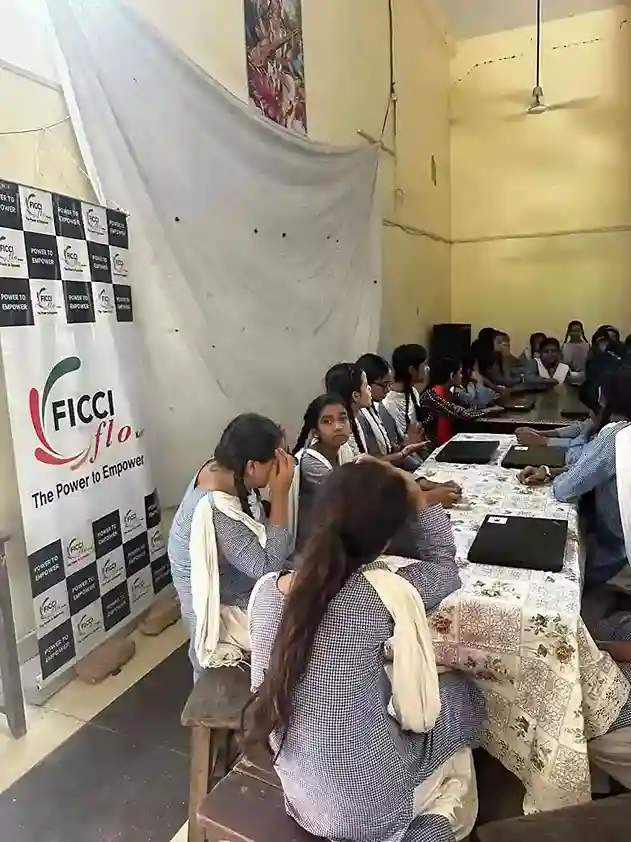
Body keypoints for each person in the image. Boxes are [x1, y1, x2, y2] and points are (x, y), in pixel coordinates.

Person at [245, 460, 484, 842]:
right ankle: (424, 830)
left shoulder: (264, 592)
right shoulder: (383, 594)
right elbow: (445, 568)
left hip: (304, 800)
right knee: (463, 696)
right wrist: (417, 494)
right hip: (370, 802)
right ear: (385, 542)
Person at [168, 414, 294, 675]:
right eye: (276, 461)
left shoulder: (223, 468)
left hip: (237, 580)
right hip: (224, 605)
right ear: (252, 466)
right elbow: (267, 568)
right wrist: (281, 493)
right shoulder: (217, 508)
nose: (282, 467)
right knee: (306, 623)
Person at [519, 364, 631, 589]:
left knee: (553, 572)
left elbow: (565, 490)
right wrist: (550, 471)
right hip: (615, 540)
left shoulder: (614, 436)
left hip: (618, 553)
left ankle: (614, 591)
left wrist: (560, 473)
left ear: (604, 398)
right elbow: (591, 469)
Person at [291, 393, 354, 551]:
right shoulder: (311, 462)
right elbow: (348, 498)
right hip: (314, 543)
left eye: (343, 419)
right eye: (327, 422)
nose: (338, 426)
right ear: (316, 432)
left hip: (338, 531)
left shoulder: (344, 449)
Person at [356, 352, 427, 464]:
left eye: (389, 384)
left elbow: (391, 446)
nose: (388, 390)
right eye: (384, 385)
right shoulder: (360, 415)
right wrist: (403, 452)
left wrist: (406, 445)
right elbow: (369, 461)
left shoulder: (375, 407)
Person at [422, 357, 503, 446]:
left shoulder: (451, 393)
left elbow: (472, 406)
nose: (461, 376)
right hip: (431, 446)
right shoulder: (432, 396)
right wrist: (489, 410)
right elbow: (464, 414)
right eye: (460, 373)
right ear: (452, 376)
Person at [381, 344, 429, 440]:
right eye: (424, 365)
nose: (427, 368)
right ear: (412, 370)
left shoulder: (414, 392)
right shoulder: (388, 402)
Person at [324, 362, 372, 457]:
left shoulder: (354, 418)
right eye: (366, 385)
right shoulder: (338, 430)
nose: (370, 388)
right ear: (356, 395)